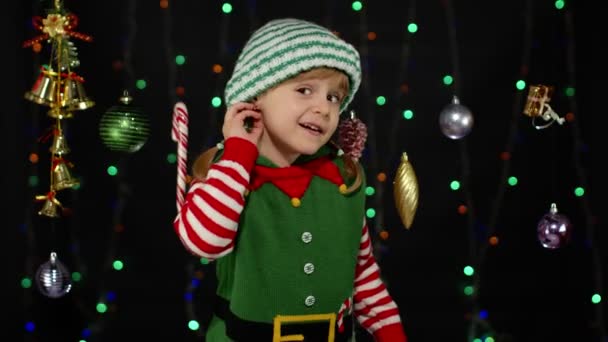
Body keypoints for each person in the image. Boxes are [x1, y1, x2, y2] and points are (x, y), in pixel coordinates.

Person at [173, 18, 407, 342]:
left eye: (334, 98)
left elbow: (361, 272)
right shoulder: (227, 172)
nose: (324, 108)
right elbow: (203, 241)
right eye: (304, 90)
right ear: (254, 98)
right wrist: (239, 153)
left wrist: (391, 333)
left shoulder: (344, 176)